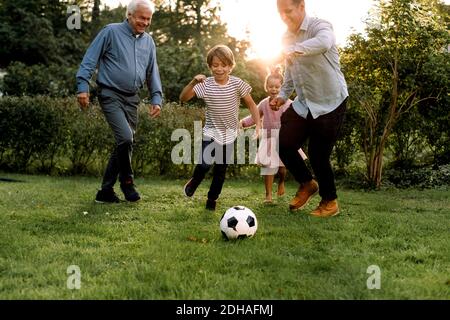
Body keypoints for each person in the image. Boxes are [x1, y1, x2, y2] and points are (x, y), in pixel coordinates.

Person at [76, 0, 163, 203]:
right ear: (130, 15)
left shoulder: (149, 42)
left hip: (132, 98)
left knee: (125, 143)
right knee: (125, 138)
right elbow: (89, 59)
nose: (145, 22)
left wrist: (156, 97)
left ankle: (105, 192)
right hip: (110, 94)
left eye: (148, 19)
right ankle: (127, 183)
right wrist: (82, 87)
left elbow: (152, 72)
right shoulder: (110, 32)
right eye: (142, 17)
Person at [271, 0, 348, 217]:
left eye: (288, 11)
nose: (284, 17)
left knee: (318, 155)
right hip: (305, 103)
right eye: (280, 13)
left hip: (330, 102)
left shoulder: (320, 26)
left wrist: (294, 49)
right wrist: (283, 95)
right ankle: (307, 184)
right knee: (283, 143)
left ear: (301, 6)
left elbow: (324, 43)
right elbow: (291, 71)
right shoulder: (286, 37)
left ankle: (330, 201)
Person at [179, 44, 261, 211]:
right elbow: (184, 97)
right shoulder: (205, 84)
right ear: (210, 67)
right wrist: (194, 81)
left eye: (224, 65)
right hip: (211, 132)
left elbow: (252, 105)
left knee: (220, 171)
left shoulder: (237, 83)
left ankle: (212, 199)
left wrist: (258, 124)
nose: (219, 69)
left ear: (230, 66)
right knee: (204, 164)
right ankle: (195, 181)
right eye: (215, 65)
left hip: (230, 135)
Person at [240, 66, 307, 204]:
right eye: (271, 86)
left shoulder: (288, 103)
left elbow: (298, 117)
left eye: (277, 87)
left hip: (284, 140)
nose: (274, 89)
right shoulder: (264, 103)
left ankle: (281, 182)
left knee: (282, 169)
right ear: (267, 87)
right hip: (269, 139)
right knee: (268, 168)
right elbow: (255, 117)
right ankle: (268, 196)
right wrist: (243, 123)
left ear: (282, 87)